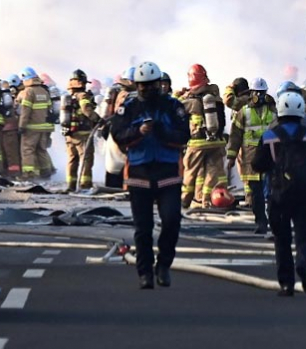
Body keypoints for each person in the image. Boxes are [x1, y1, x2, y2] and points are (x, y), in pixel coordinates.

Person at [110, 61, 189, 289]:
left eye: (151, 85)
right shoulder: (129, 107)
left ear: (159, 83)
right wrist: (139, 131)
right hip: (139, 174)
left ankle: (163, 265)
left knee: (172, 221)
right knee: (143, 229)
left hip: (168, 174)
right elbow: (118, 135)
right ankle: (145, 273)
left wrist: (161, 131)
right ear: (137, 85)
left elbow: (183, 135)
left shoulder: (173, 107)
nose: (147, 89)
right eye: (143, 85)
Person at [253, 91, 306, 297]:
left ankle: (286, 284)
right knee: (305, 235)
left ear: (279, 111)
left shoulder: (270, 137)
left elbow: (257, 165)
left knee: (282, 240)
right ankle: (304, 263)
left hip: (279, 193)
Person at [226, 77, 277, 234]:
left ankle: (275, 222)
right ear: (251, 93)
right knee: (256, 194)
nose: (260, 96)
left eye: (263, 93)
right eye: (257, 93)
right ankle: (261, 222)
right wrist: (231, 157)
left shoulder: (274, 110)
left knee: (274, 193)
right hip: (252, 159)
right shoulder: (244, 112)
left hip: (271, 157)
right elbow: (235, 136)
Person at [179, 63, 228, 209]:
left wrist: (179, 94)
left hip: (197, 143)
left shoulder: (190, 101)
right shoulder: (215, 97)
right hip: (216, 141)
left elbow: (174, 106)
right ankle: (207, 201)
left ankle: (185, 201)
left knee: (190, 173)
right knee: (213, 173)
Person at [62, 69, 100, 192]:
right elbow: (86, 110)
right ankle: (85, 184)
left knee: (72, 159)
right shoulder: (83, 96)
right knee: (86, 158)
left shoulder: (69, 96)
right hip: (82, 134)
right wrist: (98, 120)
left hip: (69, 134)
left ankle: (70, 185)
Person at [17, 67, 55, 180]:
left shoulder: (29, 92)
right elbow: (50, 109)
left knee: (27, 150)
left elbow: (25, 110)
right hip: (43, 127)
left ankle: (28, 174)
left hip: (31, 127)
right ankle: (46, 172)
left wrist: (21, 126)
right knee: (41, 149)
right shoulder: (44, 91)